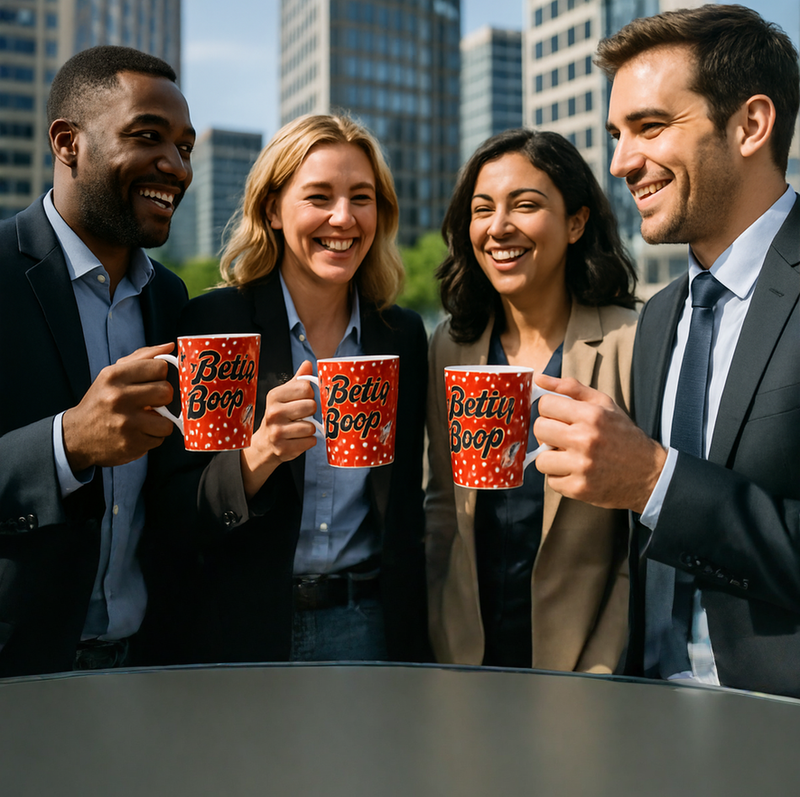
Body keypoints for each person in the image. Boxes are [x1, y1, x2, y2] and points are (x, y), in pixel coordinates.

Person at [533, 4, 800, 697]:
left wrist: (655, 478)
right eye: (616, 135)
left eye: (650, 126)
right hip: (649, 716)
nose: (621, 162)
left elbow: (662, 490)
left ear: (750, 124)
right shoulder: (659, 320)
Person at [177, 114, 430, 663]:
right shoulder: (216, 325)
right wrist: (258, 454)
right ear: (272, 209)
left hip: (367, 627)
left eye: (361, 197)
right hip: (241, 631)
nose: (343, 217)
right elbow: (174, 512)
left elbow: (409, 503)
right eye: (318, 196)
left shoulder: (402, 335)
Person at [0, 45, 195, 677]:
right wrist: (66, 445)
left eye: (184, 148)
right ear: (67, 142)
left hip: (146, 663)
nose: (174, 166)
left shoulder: (171, 297)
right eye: (147, 136)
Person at [425, 128, 638, 671]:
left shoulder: (630, 343)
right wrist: (437, 632)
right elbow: (443, 507)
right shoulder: (451, 346)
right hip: (465, 660)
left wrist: (604, 662)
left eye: (525, 205)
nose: (499, 228)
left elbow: (641, 538)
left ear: (576, 221)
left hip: (584, 666)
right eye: (482, 209)